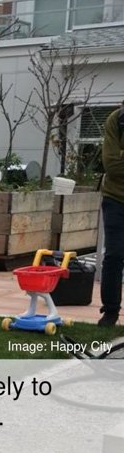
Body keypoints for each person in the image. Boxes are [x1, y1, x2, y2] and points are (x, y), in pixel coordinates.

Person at [99, 101, 124, 327]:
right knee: (114, 255)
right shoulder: (116, 120)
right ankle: (110, 311)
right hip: (116, 199)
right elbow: (112, 165)